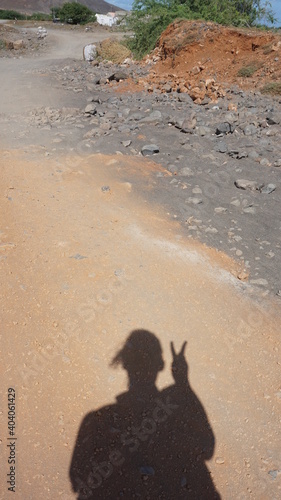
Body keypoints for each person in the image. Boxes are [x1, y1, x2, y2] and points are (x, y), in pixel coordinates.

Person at [70, 329, 220, 499]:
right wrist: (183, 385)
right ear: (161, 365)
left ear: (124, 363)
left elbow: (77, 479)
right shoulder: (176, 412)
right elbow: (207, 447)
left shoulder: (98, 420)